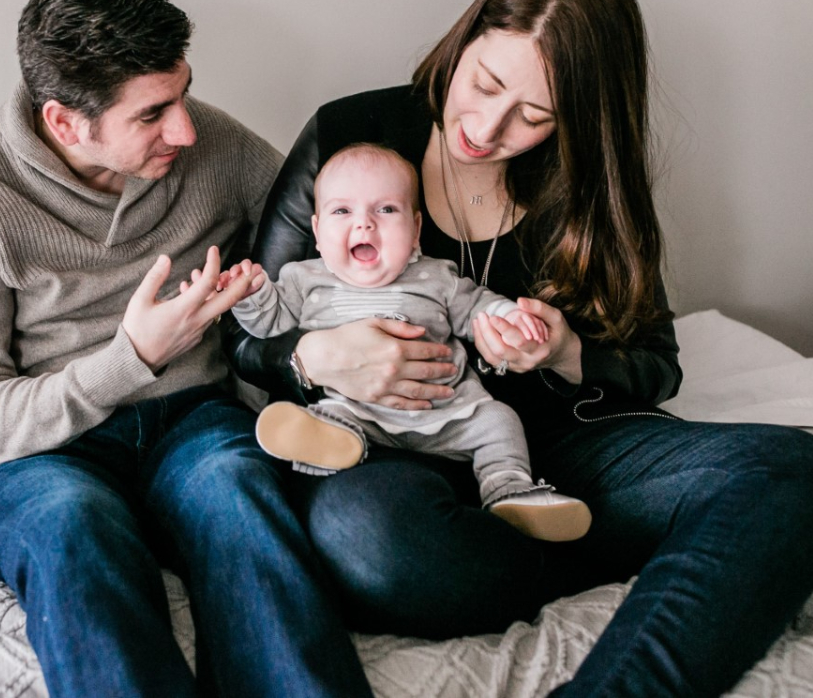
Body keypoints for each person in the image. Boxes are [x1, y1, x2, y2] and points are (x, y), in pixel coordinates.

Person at [224, 0, 813, 697]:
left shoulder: (588, 184)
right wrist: (319, 358)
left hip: (563, 448)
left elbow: (656, 365)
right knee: (369, 546)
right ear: (465, 42)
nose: (487, 128)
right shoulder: (353, 135)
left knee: (802, 475)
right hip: (383, 443)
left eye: (533, 115)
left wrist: (564, 352)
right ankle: (607, 548)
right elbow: (248, 333)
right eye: (486, 83)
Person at [0, 0, 373, 697]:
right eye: (152, 113)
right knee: (75, 529)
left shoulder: (215, 149)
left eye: (183, 94)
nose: (186, 129)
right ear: (65, 121)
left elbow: (332, 232)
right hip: (45, 455)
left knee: (238, 498)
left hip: (193, 425)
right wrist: (133, 356)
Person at [225, 142, 590, 542]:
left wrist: (512, 319)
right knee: (333, 412)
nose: (364, 224)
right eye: (342, 211)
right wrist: (249, 294)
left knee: (500, 421)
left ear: (415, 230)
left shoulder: (438, 278)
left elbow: (479, 309)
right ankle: (328, 444)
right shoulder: (302, 279)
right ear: (316, 231)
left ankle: (509, 488)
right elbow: (268, 324)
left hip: (452, 414)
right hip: (359, 413)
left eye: (385, 210)